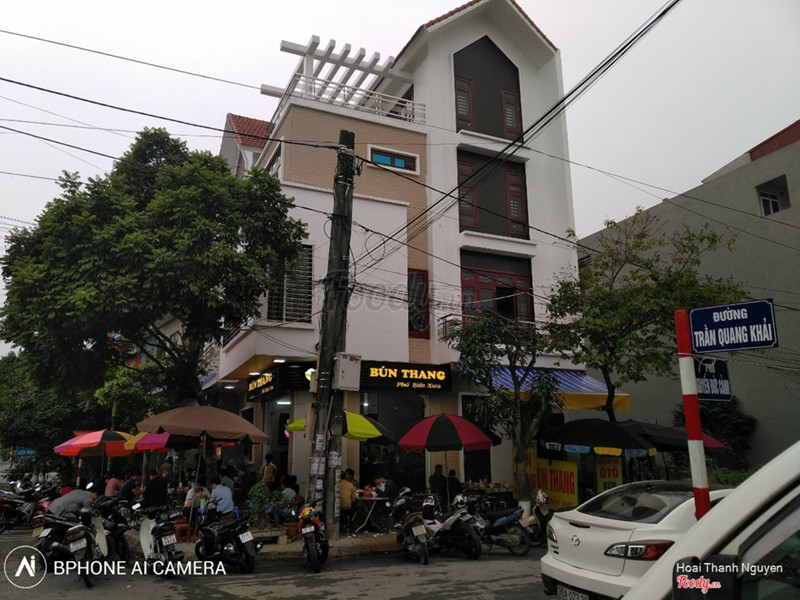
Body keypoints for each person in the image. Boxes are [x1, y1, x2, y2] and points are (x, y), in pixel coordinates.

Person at [340, 469, 357, 534]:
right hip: (347, 507)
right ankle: (350, 526)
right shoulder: (350, 485)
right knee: (353, 509)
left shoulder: (336, 484)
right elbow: (353, 498)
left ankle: (343, 525)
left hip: (337, 507)